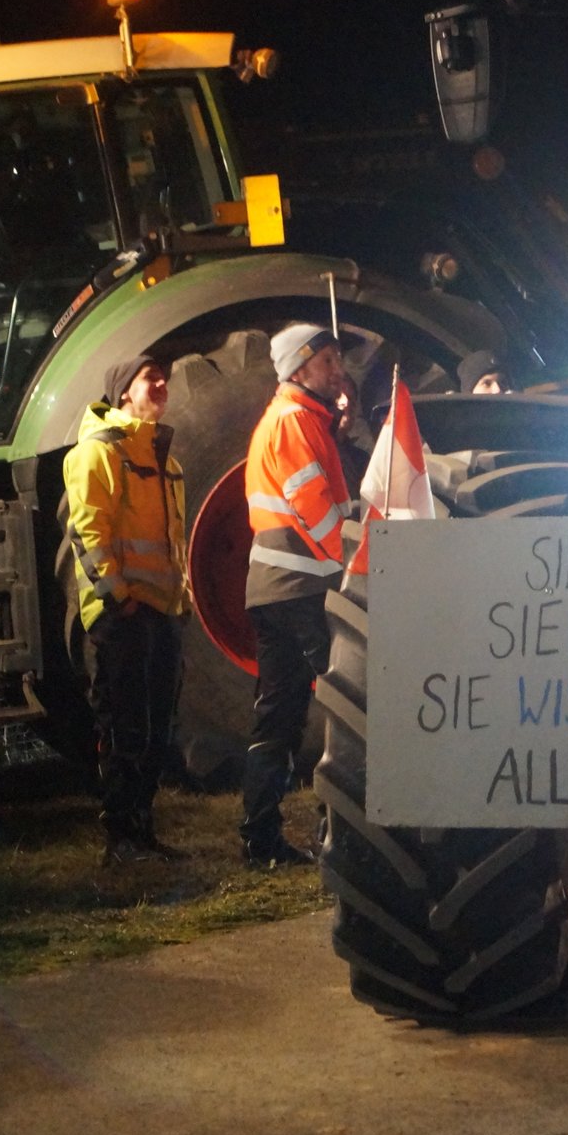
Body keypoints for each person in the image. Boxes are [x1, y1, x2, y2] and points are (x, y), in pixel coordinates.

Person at [63, 353, 190, 864]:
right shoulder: (97, 454)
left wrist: (176, 603)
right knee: (125, 729)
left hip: (160, 613)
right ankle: (120, 838)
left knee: (157, 729)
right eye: (148, 378)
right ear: (123, 393)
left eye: (163, 376)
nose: (160, 384)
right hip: (123, 618)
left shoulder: (167, 460)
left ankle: (142, 832)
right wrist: (119, 599)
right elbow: (88, 534)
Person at [238, 323, 354, 868]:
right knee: (351, 704)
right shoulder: (294, 423)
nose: (338, 370)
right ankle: (341, 831)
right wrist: (358, 567)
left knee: (279, 716)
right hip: (303, 587)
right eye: (327, 361)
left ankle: (261, 840)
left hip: (273, 590)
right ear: (299, 369)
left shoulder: (297, 419)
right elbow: (318, 511)